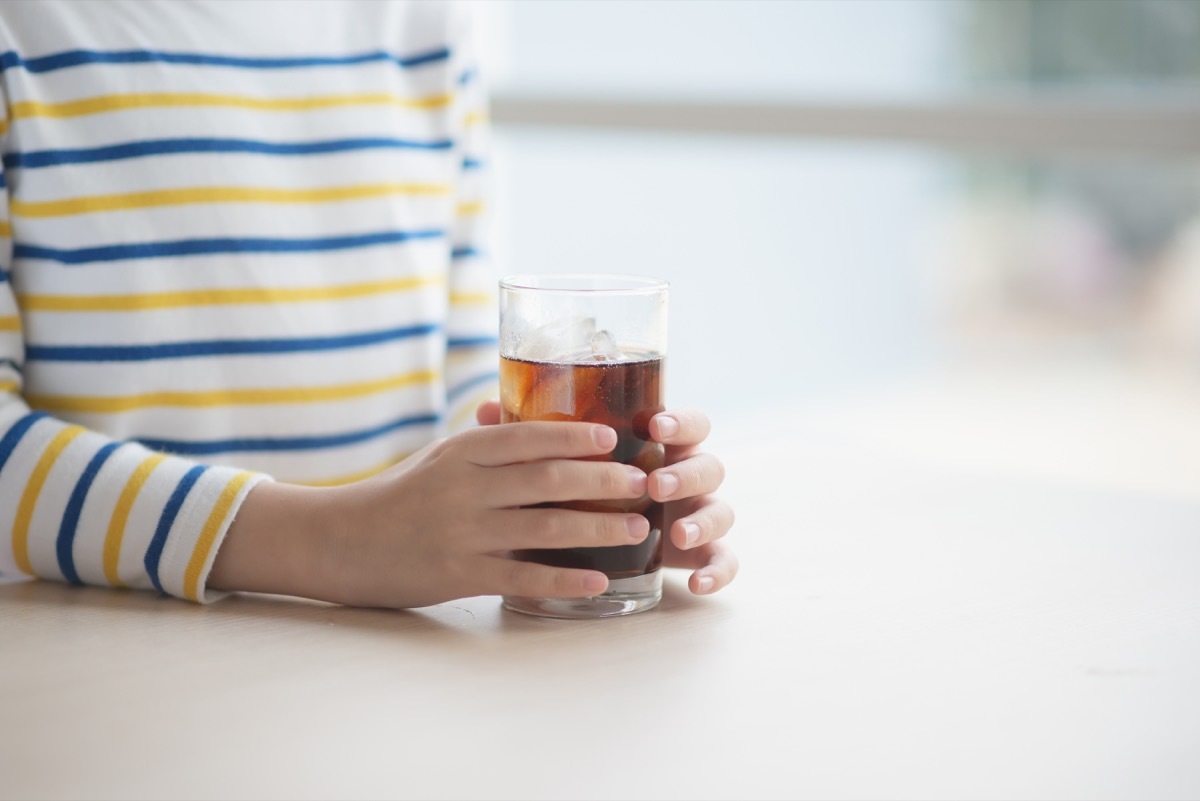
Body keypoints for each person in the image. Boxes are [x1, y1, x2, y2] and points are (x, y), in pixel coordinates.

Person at [0, 0, 736, 609]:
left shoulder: (422, 25)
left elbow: (459, 387)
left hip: (391, 670)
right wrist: (336, 541)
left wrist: (565, 503)